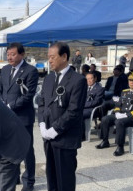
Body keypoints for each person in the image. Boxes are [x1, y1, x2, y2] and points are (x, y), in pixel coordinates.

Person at [38, 42, 87, 191]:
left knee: (64, 182)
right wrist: (41, 124)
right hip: (48, 138)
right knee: (51, 179)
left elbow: (74, 111)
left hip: (65, 138)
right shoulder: (48, 79)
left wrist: (54, 130)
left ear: (64, 56)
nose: (50, 60)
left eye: (53, 57)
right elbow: (41, 102)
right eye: (48, 57)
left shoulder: (77, 80)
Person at [0, 42, 38, 191]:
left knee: (26, 150)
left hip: (23, 117)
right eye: (8, 54)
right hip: (6, 118)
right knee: (11, 149)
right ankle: (15, 176)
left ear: (22, 54)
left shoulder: (30, 71)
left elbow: (28, 96)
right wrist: (0, 102)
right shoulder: (5, 69)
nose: (9, 57)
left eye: (13, 54)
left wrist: (9, 106)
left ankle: (29, 181)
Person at [96, 72, 133, 156]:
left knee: (119, 122)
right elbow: (118, 104)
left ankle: (120, 146)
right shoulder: (124, 92)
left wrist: (126, 115)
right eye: (130, 80)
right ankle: (105, 141)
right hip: (121, 114)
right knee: (105, 119)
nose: (131, 82)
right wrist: (117, 112)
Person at [82, 72, 104, 137]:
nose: (88, 80)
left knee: (79, 114)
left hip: (93, 109)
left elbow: (96, 102)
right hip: (83, 107)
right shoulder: (84, 88)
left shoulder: (100, 89)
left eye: (91, 78)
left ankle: (82, 135)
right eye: (87, 79)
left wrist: (83, 105)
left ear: (95, 79)